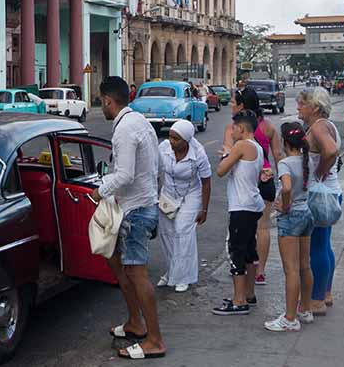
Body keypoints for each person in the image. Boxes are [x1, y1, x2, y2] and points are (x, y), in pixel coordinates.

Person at [91, 76, 165, 360]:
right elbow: (154, 165)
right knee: (119, 265)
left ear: (109, 101)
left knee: (136, 273)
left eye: (102, 102)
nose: (102, 108)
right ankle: (135, 322)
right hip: (140, 204)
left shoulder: (124, 129)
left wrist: (100, 191)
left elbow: (124, 175)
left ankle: (155, 340)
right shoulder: (139, 121)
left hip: (136, 210)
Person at [223, 88, 282, 287]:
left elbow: (226, 157)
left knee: (241, 237)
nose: (231, 105)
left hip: (245, 184)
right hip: (266, 179)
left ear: (241, 105)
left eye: (233, 102)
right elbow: (278, 155)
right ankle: (260, 271)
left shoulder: (234, 130)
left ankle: (242, 277)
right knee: (263, 228)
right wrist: (277, 175)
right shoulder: (268, 127)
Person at [264, 122, 315, 332]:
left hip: (291, 216)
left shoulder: (285, 163)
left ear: (285, 141)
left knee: (291, 269)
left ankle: (290, 318)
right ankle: (305, 309)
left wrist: (284, 205)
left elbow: (286, 187)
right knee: (304, 265)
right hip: (306, 212)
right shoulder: (307, 160)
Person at [213, 109, 265, 316]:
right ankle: (249, 293)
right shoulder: (258, 147)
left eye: (233, 128)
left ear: (241, 128)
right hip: (252, 204)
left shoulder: (242, 145)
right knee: (250, 251)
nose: (231, 131)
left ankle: (239, 299)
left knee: (237, 252)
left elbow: (220, 170)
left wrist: (227, 152)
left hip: (241, 206)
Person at [297, 86, 341, 315]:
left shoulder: (318, 126)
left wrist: (321, 171)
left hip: (320, 193)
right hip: (329, 192)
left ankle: (316, 299)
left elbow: (331, 151)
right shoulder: (327, 125)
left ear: (314, 107)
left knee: (316, 247)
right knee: (324, 245)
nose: (298, 107)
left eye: (302, 104)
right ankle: (325, 292)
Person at [157, 119, 211, 293]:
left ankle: (184, 277)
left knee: (182, 232)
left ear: (187, 140)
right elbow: (154, 171)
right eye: (171, 137)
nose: (172, 142)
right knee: (167, 233)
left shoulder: (199, 154)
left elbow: (206, 182)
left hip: (191, 194)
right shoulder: (164, 148)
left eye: (176, 139)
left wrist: (204, 209)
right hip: (168, 194)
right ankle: (172, 271)